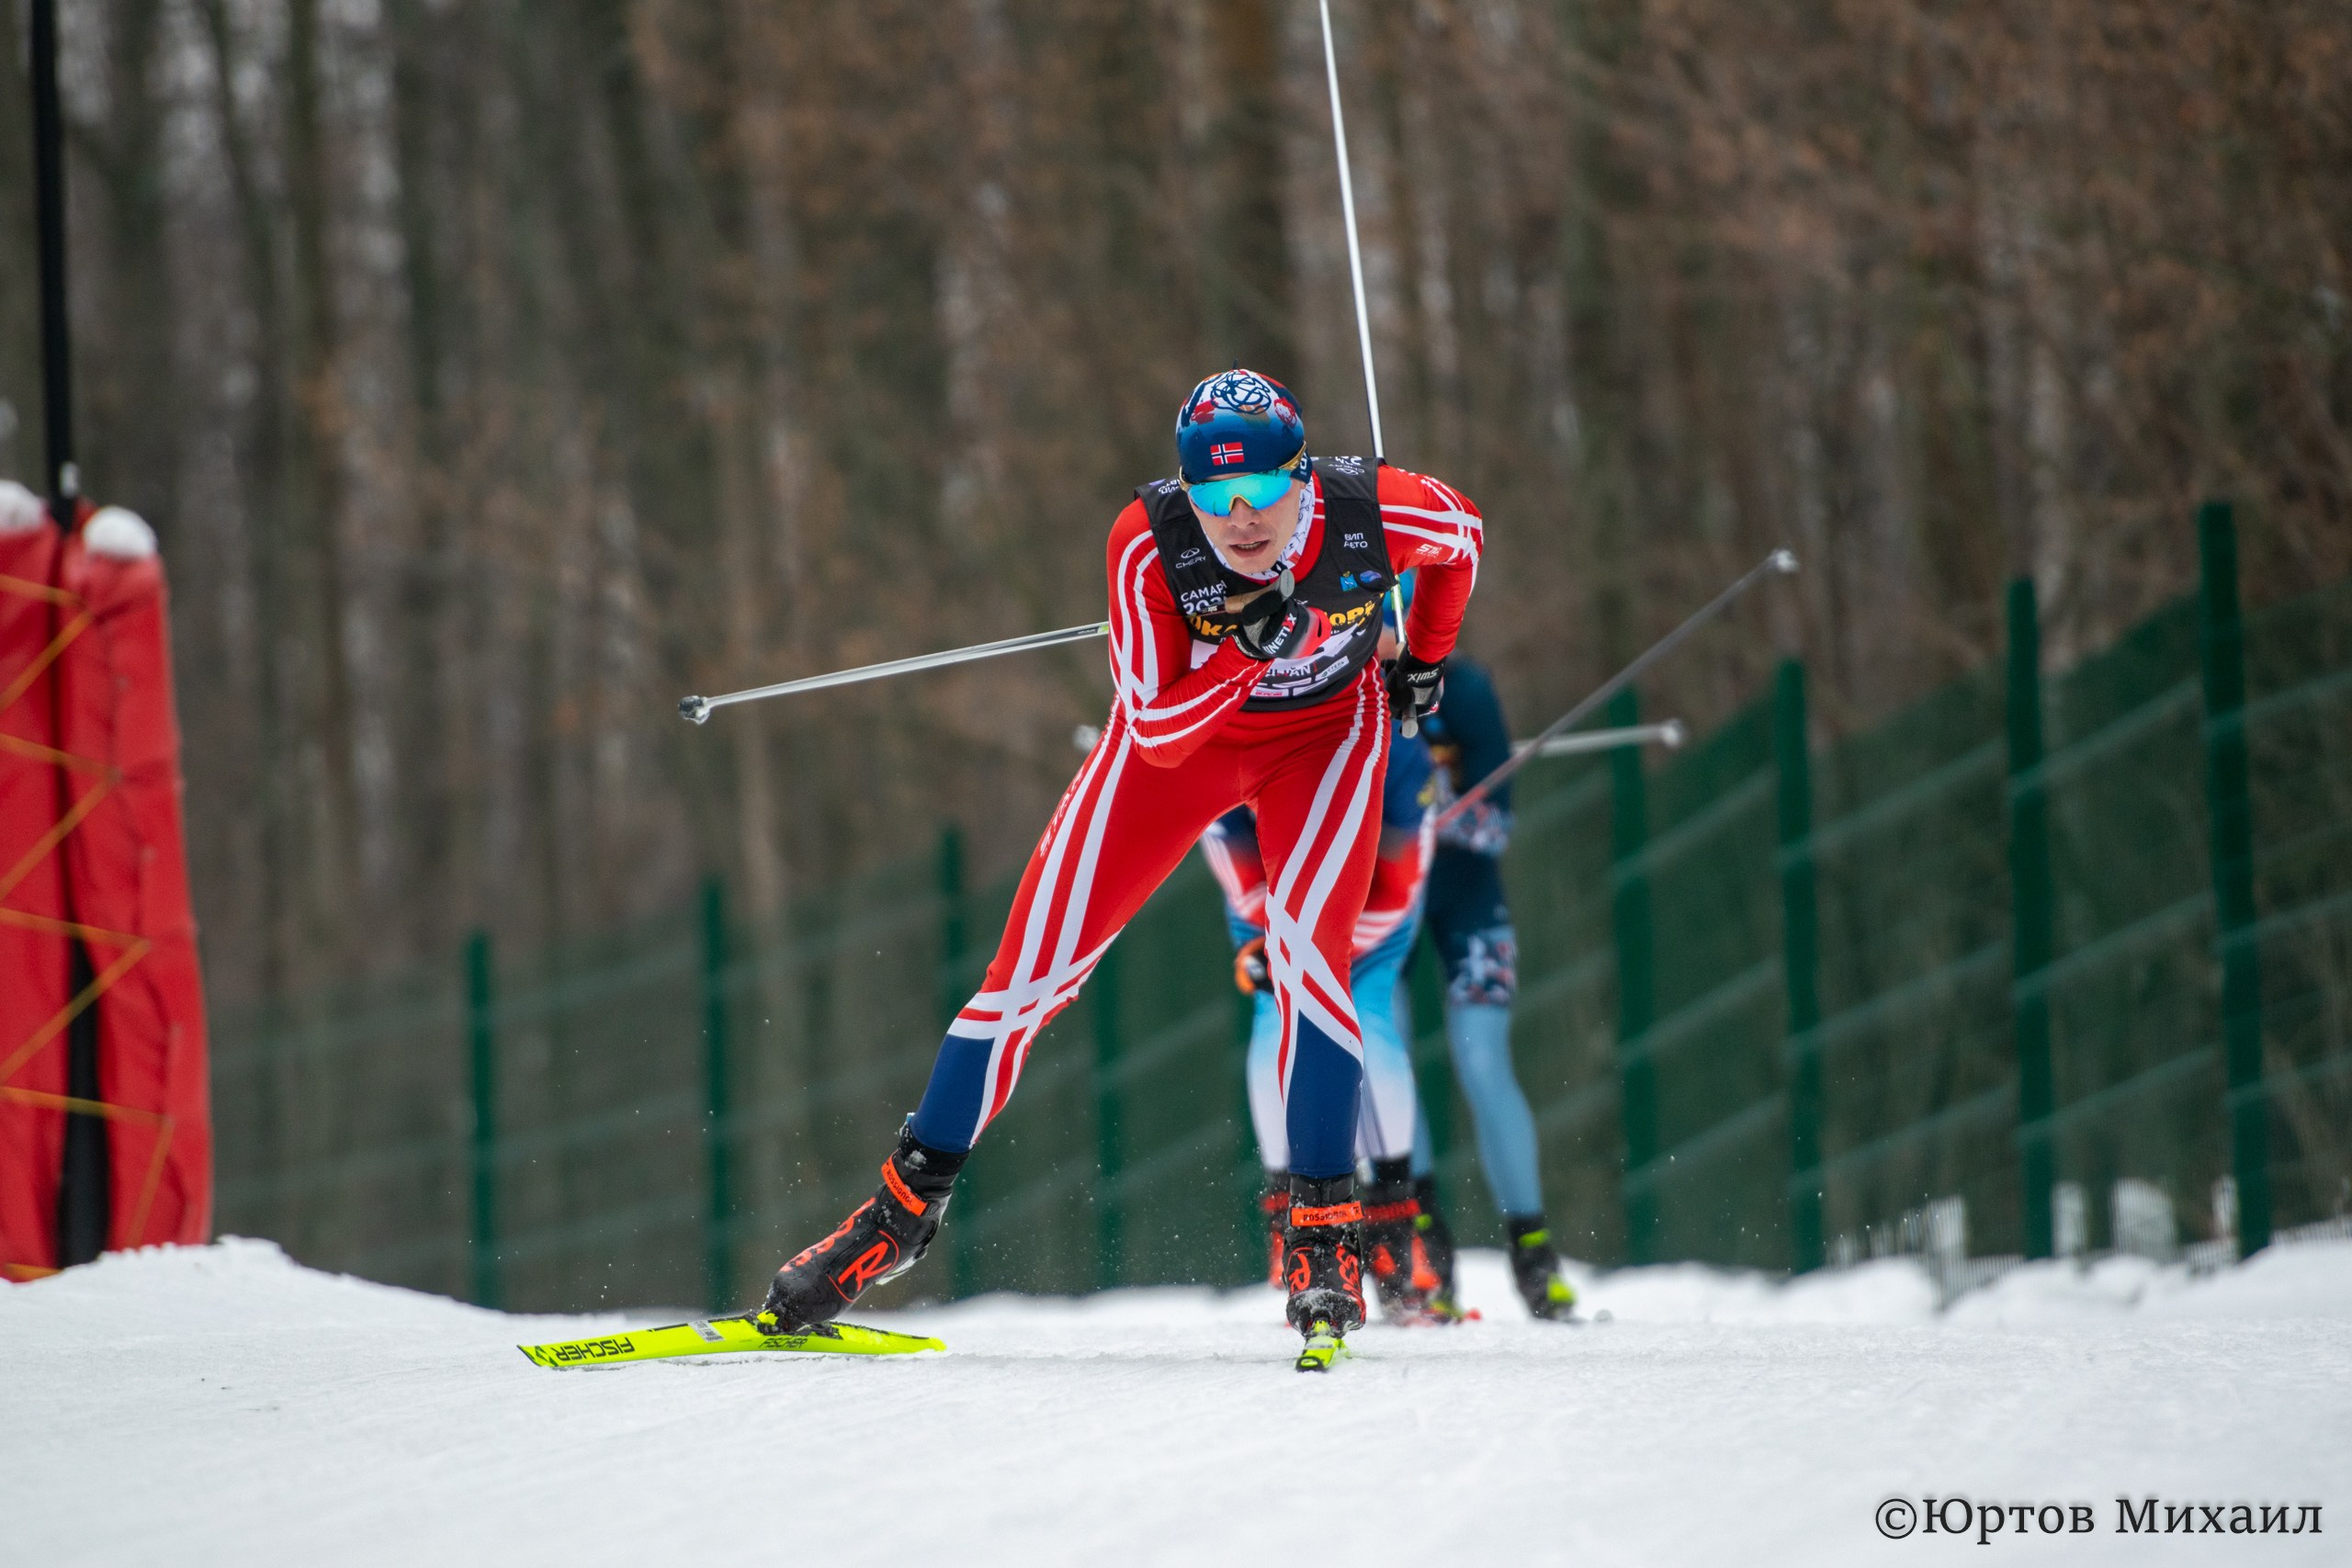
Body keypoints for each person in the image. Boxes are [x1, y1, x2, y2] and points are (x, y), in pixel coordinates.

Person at [752, 368, 1483, 1363]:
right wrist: (1248, 649)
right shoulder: (1150, 542)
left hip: (1324, 741)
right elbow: (1159, 729)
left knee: (1314, 971)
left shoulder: (1370, 512)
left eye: (1262, 492)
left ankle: (1322, 1238)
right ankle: (894, 1217)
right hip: (1178, 748)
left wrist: (1426, 656)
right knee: (1022, 985)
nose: (1240, 520)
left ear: (1301, 478)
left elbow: (1464, 538)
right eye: (1215, 497)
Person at [1200, 694, 1463, 1325]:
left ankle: (1396, 1224)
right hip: (1272, 914)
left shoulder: (1395, 749)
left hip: (1368, 917)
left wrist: (1328, 949)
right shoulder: (1235, 736)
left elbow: (1398, 884)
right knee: (1278, 1016)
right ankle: (1287, 1211)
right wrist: (1289, 945)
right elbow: (1235, 863)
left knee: (1366, 1017)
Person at [1417, 652, 1580, 1319]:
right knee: (1376, 1049)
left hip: (1464, 893)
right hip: (1376, 897)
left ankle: (1533, 1247)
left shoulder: (1466, 689)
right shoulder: (1332, 678)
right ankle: (1419, 1242)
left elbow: (1495, 827)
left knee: (1484, 1060)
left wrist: (1429, 803)